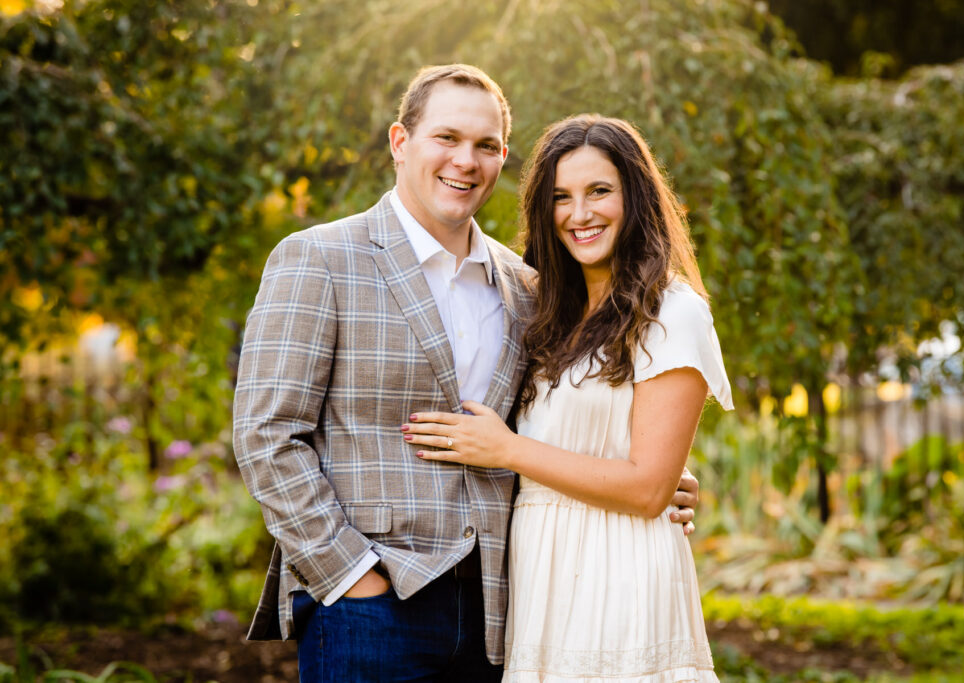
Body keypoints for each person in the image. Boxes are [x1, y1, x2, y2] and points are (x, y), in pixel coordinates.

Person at [232, 66, 701, 681]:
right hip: (371, 608)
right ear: (401, 142)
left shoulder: (528, 288)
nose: (465, 161)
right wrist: (349, 575)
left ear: (503, 157)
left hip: (503, 609)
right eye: (446, 138)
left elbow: (563, 412)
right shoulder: (318, 258)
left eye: (485, 146)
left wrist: (661, 472)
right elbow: (267, 435)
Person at [403, 114, 733, 681]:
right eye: (561, 197)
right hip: (541, 576)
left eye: (599, 191)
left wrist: (505, 449)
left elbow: (649, 488)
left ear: (637, 196)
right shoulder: (545, 311)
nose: (579, 215)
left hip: (620, 573)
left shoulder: (672, 313)